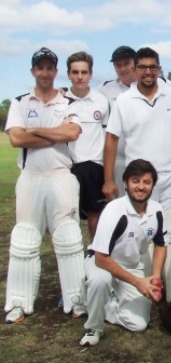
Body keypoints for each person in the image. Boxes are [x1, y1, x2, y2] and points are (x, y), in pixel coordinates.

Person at [103, 47, 171, 301]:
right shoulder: (124, 101)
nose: (148, 72)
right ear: (136, 69)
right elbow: (111, 140)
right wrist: (108, 180)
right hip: (140, 182)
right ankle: (144, 288)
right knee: (139, 236)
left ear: (159, 69)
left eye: (153, 67)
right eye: (143, 67)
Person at [4, 47, 86, 323]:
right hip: (31, 177)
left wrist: (34, 130)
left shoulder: (69, 103)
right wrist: (55, 134)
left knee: (68, 237)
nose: (45, 72)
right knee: (25, 239)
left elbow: (72, 133)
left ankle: (76, 299)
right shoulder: (19, 102)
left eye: (49, 67)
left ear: (56, 71)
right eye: (40, 67)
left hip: (61, 175)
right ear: (32, 71)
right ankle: (18, 302)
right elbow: (16, 139)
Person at [79, 159, 168, 346]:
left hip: (132, 267)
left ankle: (102, 305)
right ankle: (94, 326)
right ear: (126, 184)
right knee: (100, 280)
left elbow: (160, 244)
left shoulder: (157, 211)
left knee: (139, 324)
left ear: (153, 185)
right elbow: (101, 258)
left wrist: (155, 277)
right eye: (135, 181)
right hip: (101, 264)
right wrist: (137, 282)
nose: (141, 187)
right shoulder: (113, 210)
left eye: (146, 182)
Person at [66, 51, 109, 240]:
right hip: (69, 166)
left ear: (91, 74)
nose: (80, 77)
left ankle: (95, 256)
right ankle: (72, 256)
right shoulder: (61, 101)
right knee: (69, 215)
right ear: (68, 74)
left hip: (95, 165)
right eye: (75, 72)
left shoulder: (101, 100)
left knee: (96, 215)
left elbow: (108, 136)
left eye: (84, 72)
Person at [97, 45, 137, 198]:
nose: (122, 69)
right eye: (118, 65)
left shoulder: (150, 85)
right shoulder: (106, 88)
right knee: (118, 205)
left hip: (144, 156)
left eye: (126, 64)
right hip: (118, 159)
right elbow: (83, 95)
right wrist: (63, 91)